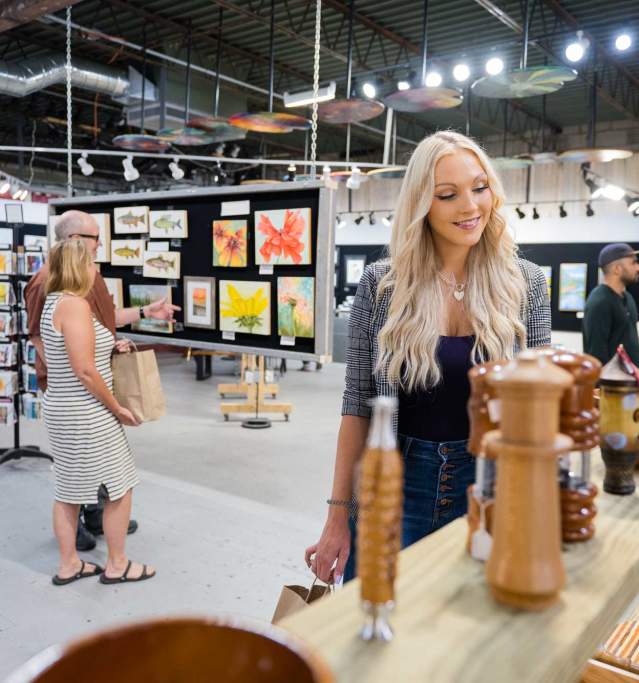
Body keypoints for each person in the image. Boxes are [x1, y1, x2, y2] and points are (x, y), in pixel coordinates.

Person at [305, 131, 551, 584]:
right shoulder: (383, 286)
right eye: (448, 194)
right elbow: (358, 403)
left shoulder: (527, 284)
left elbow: (539, 407)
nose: (470, 206)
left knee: (469, 633)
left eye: (480, 187)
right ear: (423, 203)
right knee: (379, 627)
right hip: (396, 485)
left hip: (490, 486)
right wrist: (338, 516)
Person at [25, 210, 179, 551]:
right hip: (74, 391)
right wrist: (79, 371)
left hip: (93, 385)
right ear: (76, 240)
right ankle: (77, 523)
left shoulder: (90, 277)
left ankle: (96, 514)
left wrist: (144, 312)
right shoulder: (45, 281)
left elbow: (103, 325)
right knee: (76, 464)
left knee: (98, 459)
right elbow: (41, 338)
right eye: (96, 238)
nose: (101, 245)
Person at [43, 239, 155, 585]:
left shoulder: (54, 302)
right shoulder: (74, 305)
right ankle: (118, 564)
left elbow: (72, 357)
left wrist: (110, 348)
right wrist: (117, 407)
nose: (97, 270)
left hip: (63, 407)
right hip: (86, 412)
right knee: (120, 486)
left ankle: (69, 565)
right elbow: (85, 371)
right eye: (92, 263)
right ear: (79, 267)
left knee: (68, 490)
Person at [583, 243, 639, 366]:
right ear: (617, 269)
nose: (637, 268)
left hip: (630, 383)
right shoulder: (599, 302)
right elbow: (596, 356)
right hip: (610, 384)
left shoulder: (628, 298)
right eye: (633, 263)